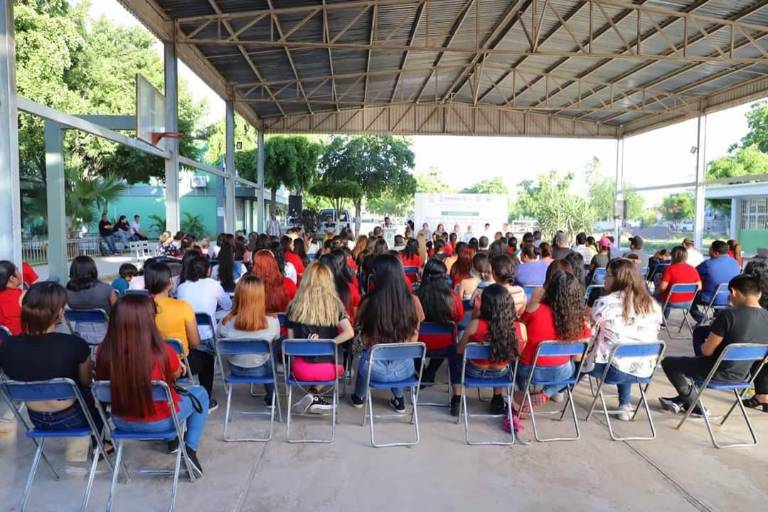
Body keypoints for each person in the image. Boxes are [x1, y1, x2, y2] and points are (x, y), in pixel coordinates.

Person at [96, 294, 207, 475]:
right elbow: (175, 375)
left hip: (121, 421)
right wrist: (178, 368)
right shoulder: (163, 351)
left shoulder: (104, 350)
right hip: (161, 421)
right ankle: (190, 450)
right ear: (149, 320)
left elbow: (103, 382)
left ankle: (174, 442)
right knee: (200, 393)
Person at [0, 282, 105, 436]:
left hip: (36, 420)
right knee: (97, 393)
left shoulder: (7, 346)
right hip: (74, 418)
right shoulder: (75, 344)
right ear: (61, 312)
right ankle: (100, 443)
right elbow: (86, 381)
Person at [660, 274, 768, 417]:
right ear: (759, 293)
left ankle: (693, 404)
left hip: (715, 372)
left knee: (668, 363)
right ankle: (686, 399)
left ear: (734, 292)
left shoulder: (729, 315)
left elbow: (706, 351)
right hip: (743, 375)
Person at [585, 259, 662, 420]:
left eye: (607, 275)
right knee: (624, 351)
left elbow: (589, 336)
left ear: (618, 278)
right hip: (645, 370)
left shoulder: (605, 303)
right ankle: (624, 404)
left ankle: (558, 391)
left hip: (611, 371)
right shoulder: (653, 305)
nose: (604, 278)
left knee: (581, 352)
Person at [350, 254, 424, 413]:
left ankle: (359, 397)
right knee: (395, 353)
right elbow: (415, 336)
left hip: (373, 369)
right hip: (406, 369)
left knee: (366, 354)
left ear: (377, 276)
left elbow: (363, 336)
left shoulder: (368, 302)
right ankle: (399, 399)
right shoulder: (414, 302)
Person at [145, 260, 217, 411]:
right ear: (169, 282)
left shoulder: (138, 307)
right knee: (207, 357)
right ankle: (206, 400)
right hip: (179, 364)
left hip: (147, 363)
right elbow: (195, 342)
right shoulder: (182, 306)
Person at [286, 262, 354, 414]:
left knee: (305, 366)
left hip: (299, 370)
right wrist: (330, 343)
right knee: (340, 368)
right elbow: (349, 332)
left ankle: (313, 395)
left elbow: (290, 344)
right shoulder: (335, 306)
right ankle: (314, 395)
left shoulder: (292, 307)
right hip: (329, 369)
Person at [517, 271, 591, 406]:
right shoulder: (580, 319)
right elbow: (577, 357)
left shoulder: (535, 308)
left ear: (550, 288)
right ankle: (547, 393)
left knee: (514, 363)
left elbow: (520, 330)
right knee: (575, 369)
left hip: (528, 370)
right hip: (561, 371)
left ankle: (523, 394)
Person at [453, 284, 524, 416]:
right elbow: (519, 353)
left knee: (453, 353)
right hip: (501, 374)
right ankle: (497, 399)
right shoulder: (520, 328)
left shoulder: (475, 325)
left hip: (473, 371)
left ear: (485, 305)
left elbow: (460, 350)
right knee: (501, 355)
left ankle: (456, 399)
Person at [218, 275, 280, 405]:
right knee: (272, 349)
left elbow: (219, 339)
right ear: (261, 296)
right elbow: (275, 339)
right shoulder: (273, 321)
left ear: (238, 296)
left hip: (234, 369)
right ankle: (271, 398)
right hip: (261, 370)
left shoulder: (225, 322)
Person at [414, 259, 464, 387]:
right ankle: (429, 373)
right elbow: (458, 317)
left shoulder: (415, 296)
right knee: (449, 338)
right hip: (445, 345)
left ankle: (423, 373)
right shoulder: (453, 297)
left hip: (418, 344)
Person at [177, 256, 232, 350]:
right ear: (208, 270)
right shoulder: (214, 285)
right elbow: (228, 306)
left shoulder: (181, 287)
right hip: (208, 336)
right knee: (228, 312)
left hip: (188, 336)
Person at [691, 240, 741, 322]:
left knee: (688, 296)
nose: (708, 251)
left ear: (716, 253)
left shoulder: (707, 264)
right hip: (730, 298)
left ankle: (701, 319)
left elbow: (692, 273)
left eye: (710, 249)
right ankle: (718, 320)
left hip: (710, 298)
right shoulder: (735, 263)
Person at [319, 250, 361, 324]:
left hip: (322, 331)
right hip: (347, 329)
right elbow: (356, 313)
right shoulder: (350, 287)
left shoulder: (315, 290)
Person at [656, 246, 701, 311]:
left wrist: (655, 291)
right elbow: (699, 287)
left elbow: (662, 287)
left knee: (652, 297)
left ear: (673, 256)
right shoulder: (693, 269)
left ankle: (660, 319)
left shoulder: (670, 269)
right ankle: (663, 319)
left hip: (671, 301)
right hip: (688, 302)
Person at [0, 261, 24, 335]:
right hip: (19, 341)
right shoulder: (22, 296)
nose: (20, 274)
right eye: (17, 271)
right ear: (12, 278)